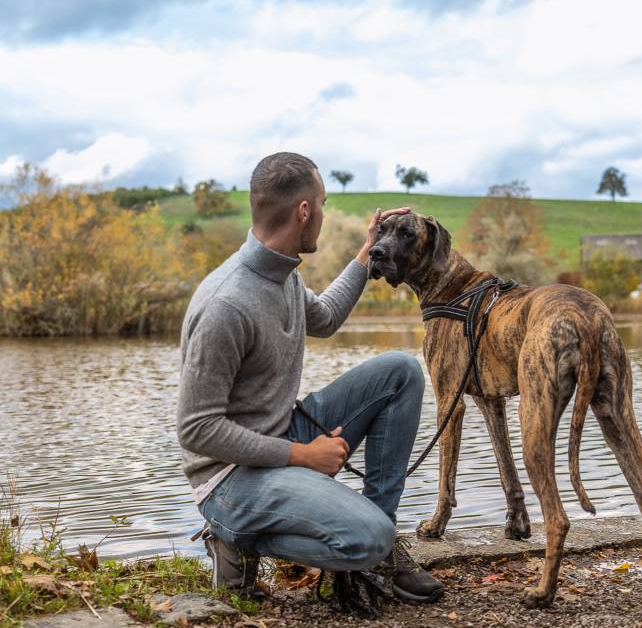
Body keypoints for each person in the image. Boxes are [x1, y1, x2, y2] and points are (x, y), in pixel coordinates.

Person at [176, 151, 443, 604]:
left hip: (278, 436)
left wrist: (367, 252)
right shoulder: (227, 303)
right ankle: (235, 537)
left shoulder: (282, 277)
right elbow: (197, 429)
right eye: (321, 203)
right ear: (304, 211)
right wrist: (302, 455)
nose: (323, 212)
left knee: (399, 372)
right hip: (229, 478)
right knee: (367, 536)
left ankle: (377, 553)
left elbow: (325, 318)